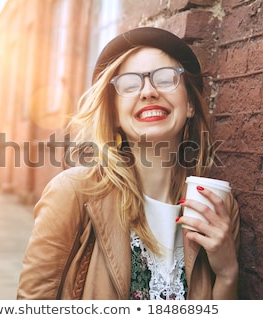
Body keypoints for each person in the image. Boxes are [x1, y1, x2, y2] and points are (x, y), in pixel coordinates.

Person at [17, 27, 240, 300]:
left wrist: (228, 273)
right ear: (114, 115)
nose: (148, 91)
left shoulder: (218, 206)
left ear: (190, 104)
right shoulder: (72, 193)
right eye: (130, 85)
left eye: (165, 78)